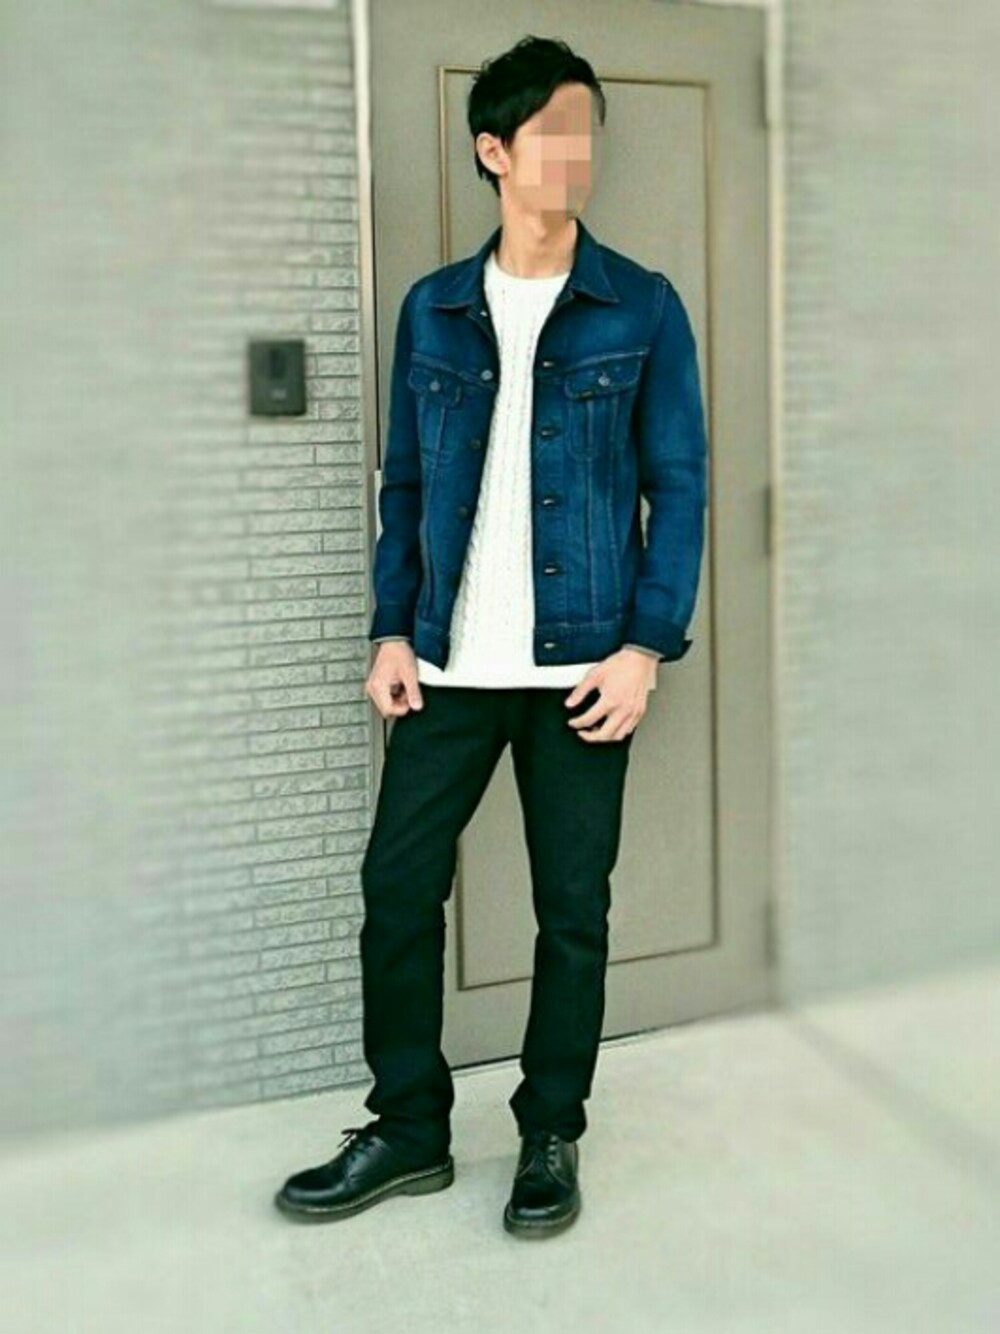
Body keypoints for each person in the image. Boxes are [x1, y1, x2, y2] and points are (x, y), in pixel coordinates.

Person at [275, 34, 708, 1238]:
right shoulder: (436, 307)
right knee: (396, 888)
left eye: (587, 132)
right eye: (552, 132)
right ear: (494, 150)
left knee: (571, 908)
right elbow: (406, 485)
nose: (577, 153)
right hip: (448, 665)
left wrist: (644, 646)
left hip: (583, 671)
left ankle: (549, 1128)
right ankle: (409, 1125)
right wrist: (389, 629)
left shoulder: (642, 305)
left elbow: (678, 486)